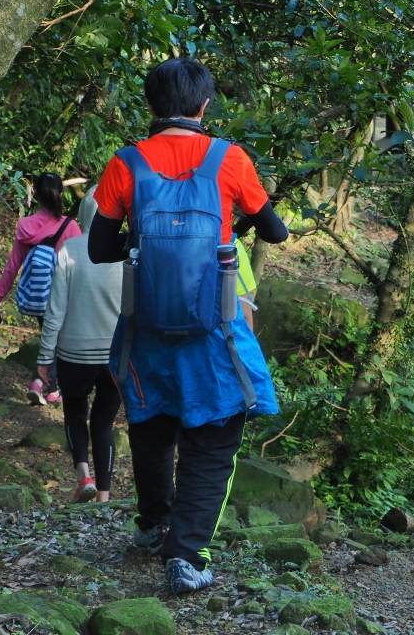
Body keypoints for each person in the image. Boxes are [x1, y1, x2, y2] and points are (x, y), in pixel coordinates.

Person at [88, 57, 289, 594]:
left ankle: (155, 525)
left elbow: (100, 247)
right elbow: (277, 232)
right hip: (215, 331)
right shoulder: (230, 159)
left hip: (146, 329)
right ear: (204, 106)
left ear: (152, 105)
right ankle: (187, 554)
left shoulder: (125, 164)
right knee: (215, 440)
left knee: (152, 429)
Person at [36, 186, 123, 503]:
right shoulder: (126, 249)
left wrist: (45, 357)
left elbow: (55, 310)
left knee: (75, 412)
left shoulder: (69, 249)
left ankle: (83, 475)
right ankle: (104, 495)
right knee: (104, 422)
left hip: (74, 354)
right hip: (114, 355)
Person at [0, 172, 80, 404]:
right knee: (62, 342)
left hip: (38, 297)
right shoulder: (70, 227)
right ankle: (39, 383)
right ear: (61, 194)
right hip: (63, 298)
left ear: (36, 195)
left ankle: (52, 391)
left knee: (50, 339)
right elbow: (81, 266)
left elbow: (12, 267)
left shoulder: (26, 226)